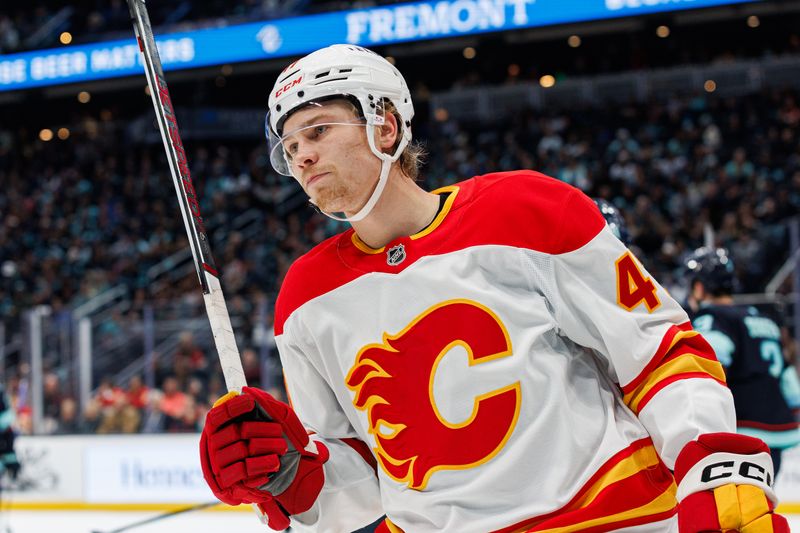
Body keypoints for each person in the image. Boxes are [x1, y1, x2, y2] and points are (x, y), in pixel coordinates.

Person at [199, 44, 788, 533]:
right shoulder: (303, 299)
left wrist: (716, 464)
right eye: (290, 145)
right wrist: (287, 477)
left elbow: (657, 351)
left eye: (317, 129)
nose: (300, 154)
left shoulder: (527, 209)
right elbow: (358, 478)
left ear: (384, 122)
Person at [685, 246, 800, 475]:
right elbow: (787, 375)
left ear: (699, 287)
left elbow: (709, 364)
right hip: (775, 426)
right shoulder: (762, 318)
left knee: (735, 508)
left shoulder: (712, 317)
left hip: (741, 430)